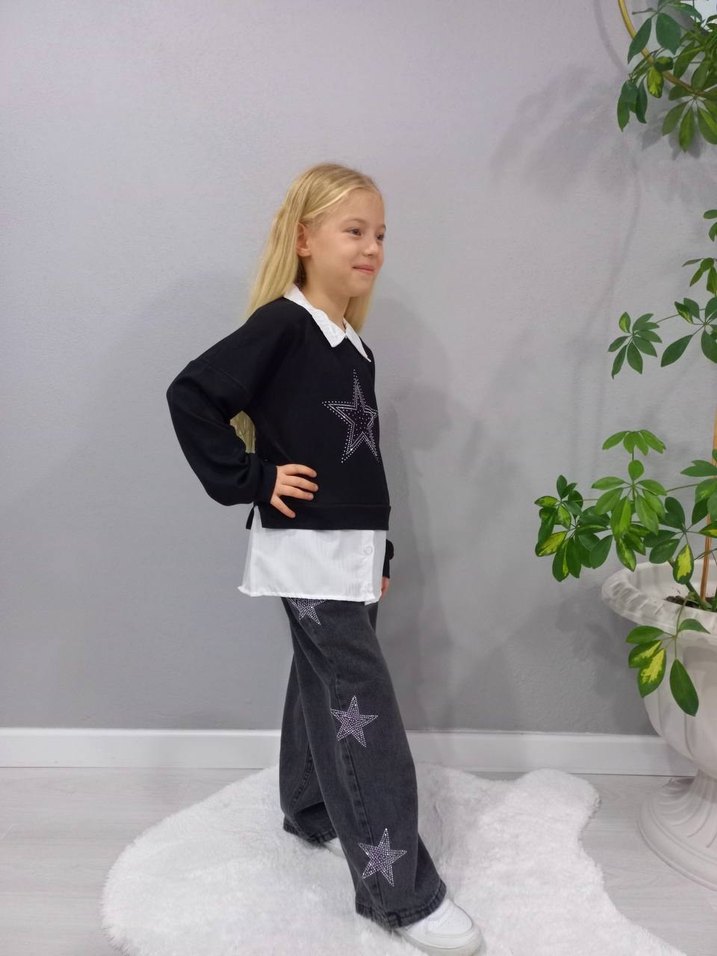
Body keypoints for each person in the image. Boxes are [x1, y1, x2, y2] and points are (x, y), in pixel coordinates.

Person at [165, 162, 484, 955]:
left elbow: (359, 466)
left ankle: (309, 807)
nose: (372, 247)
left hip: (348, 548)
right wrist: (253, 479)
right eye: (354, 231)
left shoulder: (354, 348)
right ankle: (398, 893)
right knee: (359, 705)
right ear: (305, 239)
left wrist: (382, 547)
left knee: (324, 680)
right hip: (307, 548)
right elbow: (192, 394)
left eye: (380, 234)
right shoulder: (284, 324)